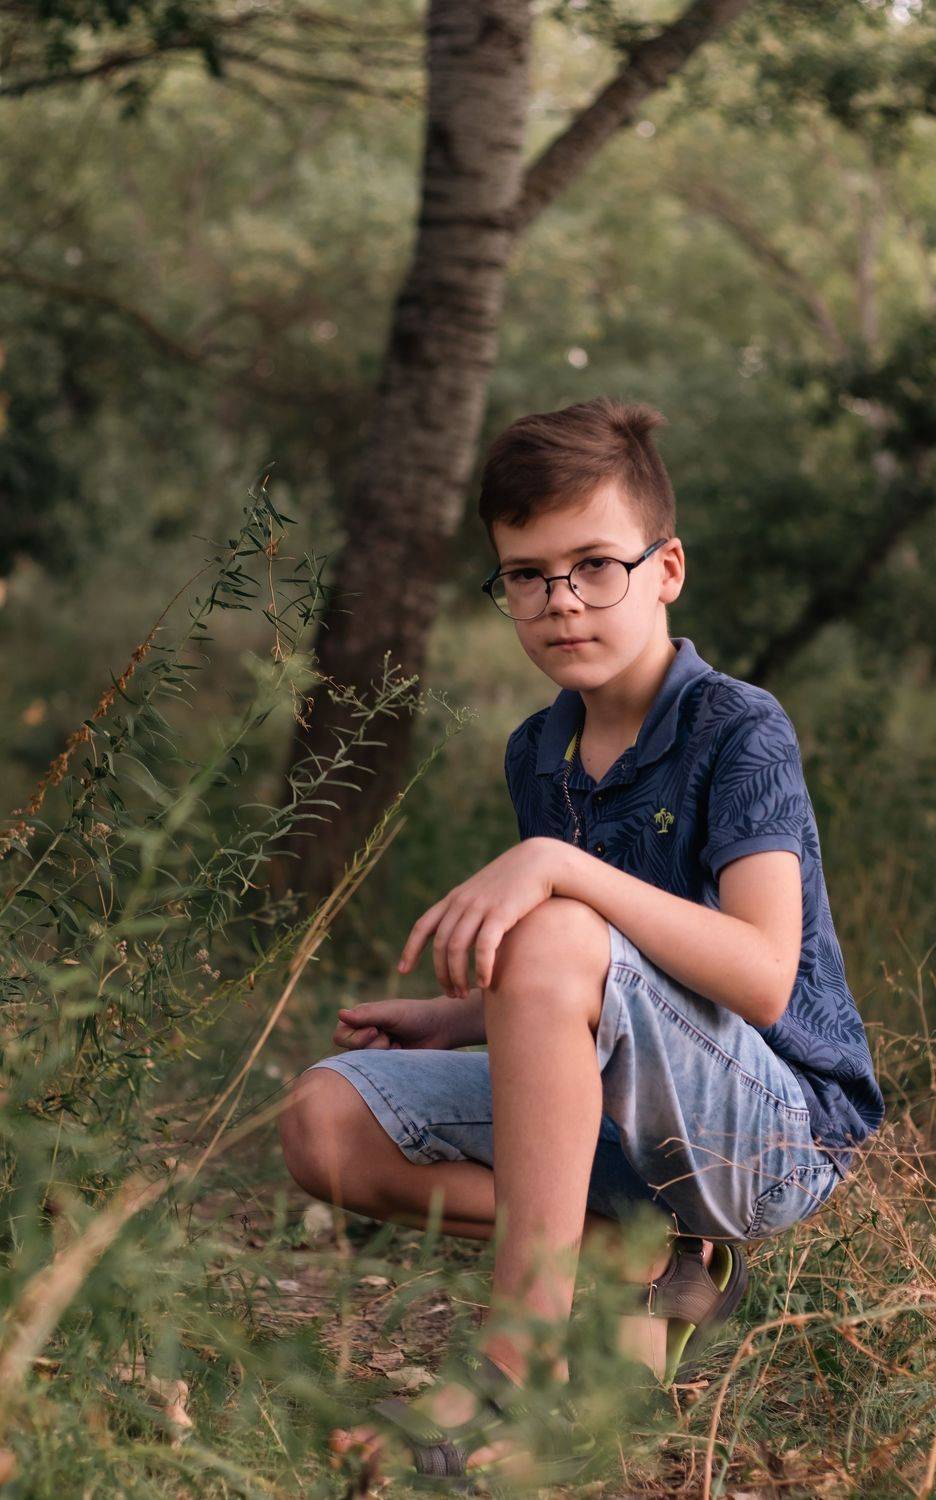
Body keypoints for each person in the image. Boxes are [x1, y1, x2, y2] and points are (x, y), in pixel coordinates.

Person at [279, 395, 886, 1486]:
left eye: (596, 565)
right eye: (527, 574)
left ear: (666, 569)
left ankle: (516, 1359)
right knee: (324, 1122)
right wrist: (460, 1016)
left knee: (560, 921)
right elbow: (587, 984)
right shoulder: (539, 751)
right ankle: (639, 1256)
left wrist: (563, 872)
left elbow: (759, 976)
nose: (561, 601)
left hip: (766, 1134)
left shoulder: (737, 728)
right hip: (619, 1119)